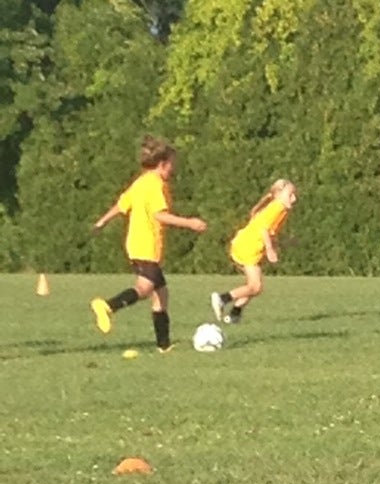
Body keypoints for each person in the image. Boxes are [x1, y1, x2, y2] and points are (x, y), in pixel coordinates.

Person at [90, 135, 207, 352]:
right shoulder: (156, 184)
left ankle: (164, 345)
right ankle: (107, 306)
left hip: (136, 245)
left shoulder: (140, 182)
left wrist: (102, 221)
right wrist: (190, 223)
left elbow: (121, 205)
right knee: (144, 288)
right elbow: (160, 215)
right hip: (147, 246)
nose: (173, 169)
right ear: (162, 164)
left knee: (161, 295)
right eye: (172, 164)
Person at [210, 179, 297, 325]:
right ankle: (222, 299)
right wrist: (270, 249)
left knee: (253, 287)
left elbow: (266, 228)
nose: (294, 199)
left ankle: (234, 314)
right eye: (290, 195)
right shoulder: (278, 207)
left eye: (295, 195)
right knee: (255, 287)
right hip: (248, 247)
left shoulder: (278, 207)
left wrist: (281, 243)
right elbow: (264, 228)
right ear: (278, 194)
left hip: (247, 245)